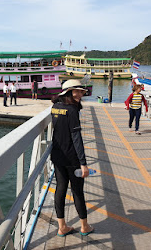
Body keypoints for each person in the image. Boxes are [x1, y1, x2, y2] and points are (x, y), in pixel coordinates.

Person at [51, 79, 94, 237]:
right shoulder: (72, 110)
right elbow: (76, 137)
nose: (80, 95)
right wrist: (83, 163)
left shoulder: (55, 107)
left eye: (81, 92)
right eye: (77, 91)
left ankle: (62, 226)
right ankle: (84, 226)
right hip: (72, 159)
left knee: (60, 189)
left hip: (57, 155)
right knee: (77, 191)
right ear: (69, 92)